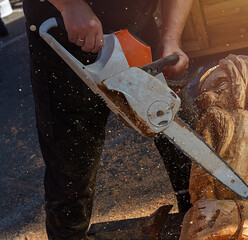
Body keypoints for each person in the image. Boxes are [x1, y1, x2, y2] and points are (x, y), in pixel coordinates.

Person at [22, 0, 194, 239]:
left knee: (189, 156)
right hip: (64, 38)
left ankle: (201, 224)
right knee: (70, 175)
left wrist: (171, 36)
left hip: (138, 35)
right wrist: (69, 5)